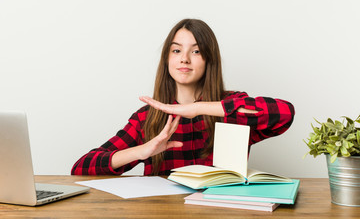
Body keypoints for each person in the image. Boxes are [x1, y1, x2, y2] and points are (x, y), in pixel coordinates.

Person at [71, 19, 295, 176]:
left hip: (221, 211)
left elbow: (285, 113)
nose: (185, 59)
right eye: (176, 51)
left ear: (209, 60)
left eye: (196, 51)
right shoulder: (147, 118)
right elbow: (80, 168)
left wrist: (200, 109)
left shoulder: (230, 107)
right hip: (165, 211)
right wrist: (142, 151)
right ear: (167, 58)